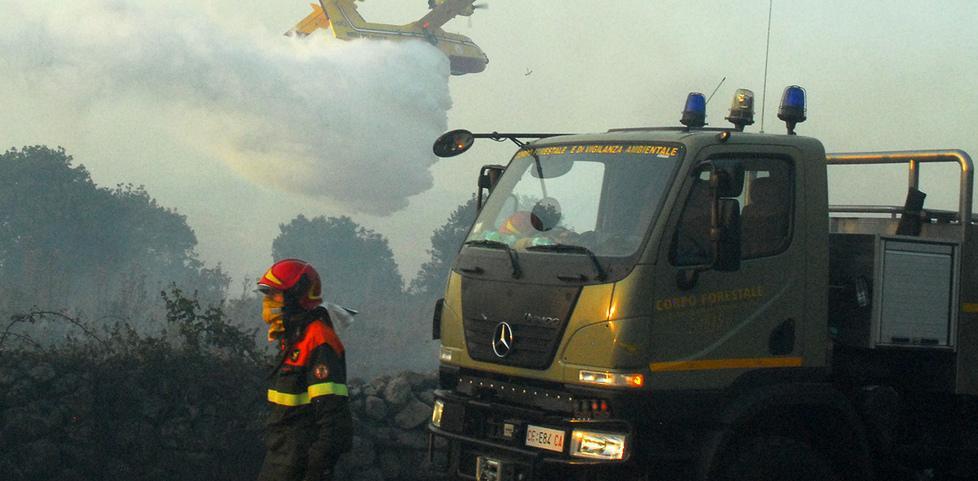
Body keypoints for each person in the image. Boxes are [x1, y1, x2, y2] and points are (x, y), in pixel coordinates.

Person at [257, 258, 353, 481]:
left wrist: (315, 468)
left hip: (298, 462)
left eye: (274, 295)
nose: (268, 303)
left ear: (295, 295)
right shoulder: (293, 339)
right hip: (281, 455)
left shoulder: (319, 340)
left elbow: (334, 421)